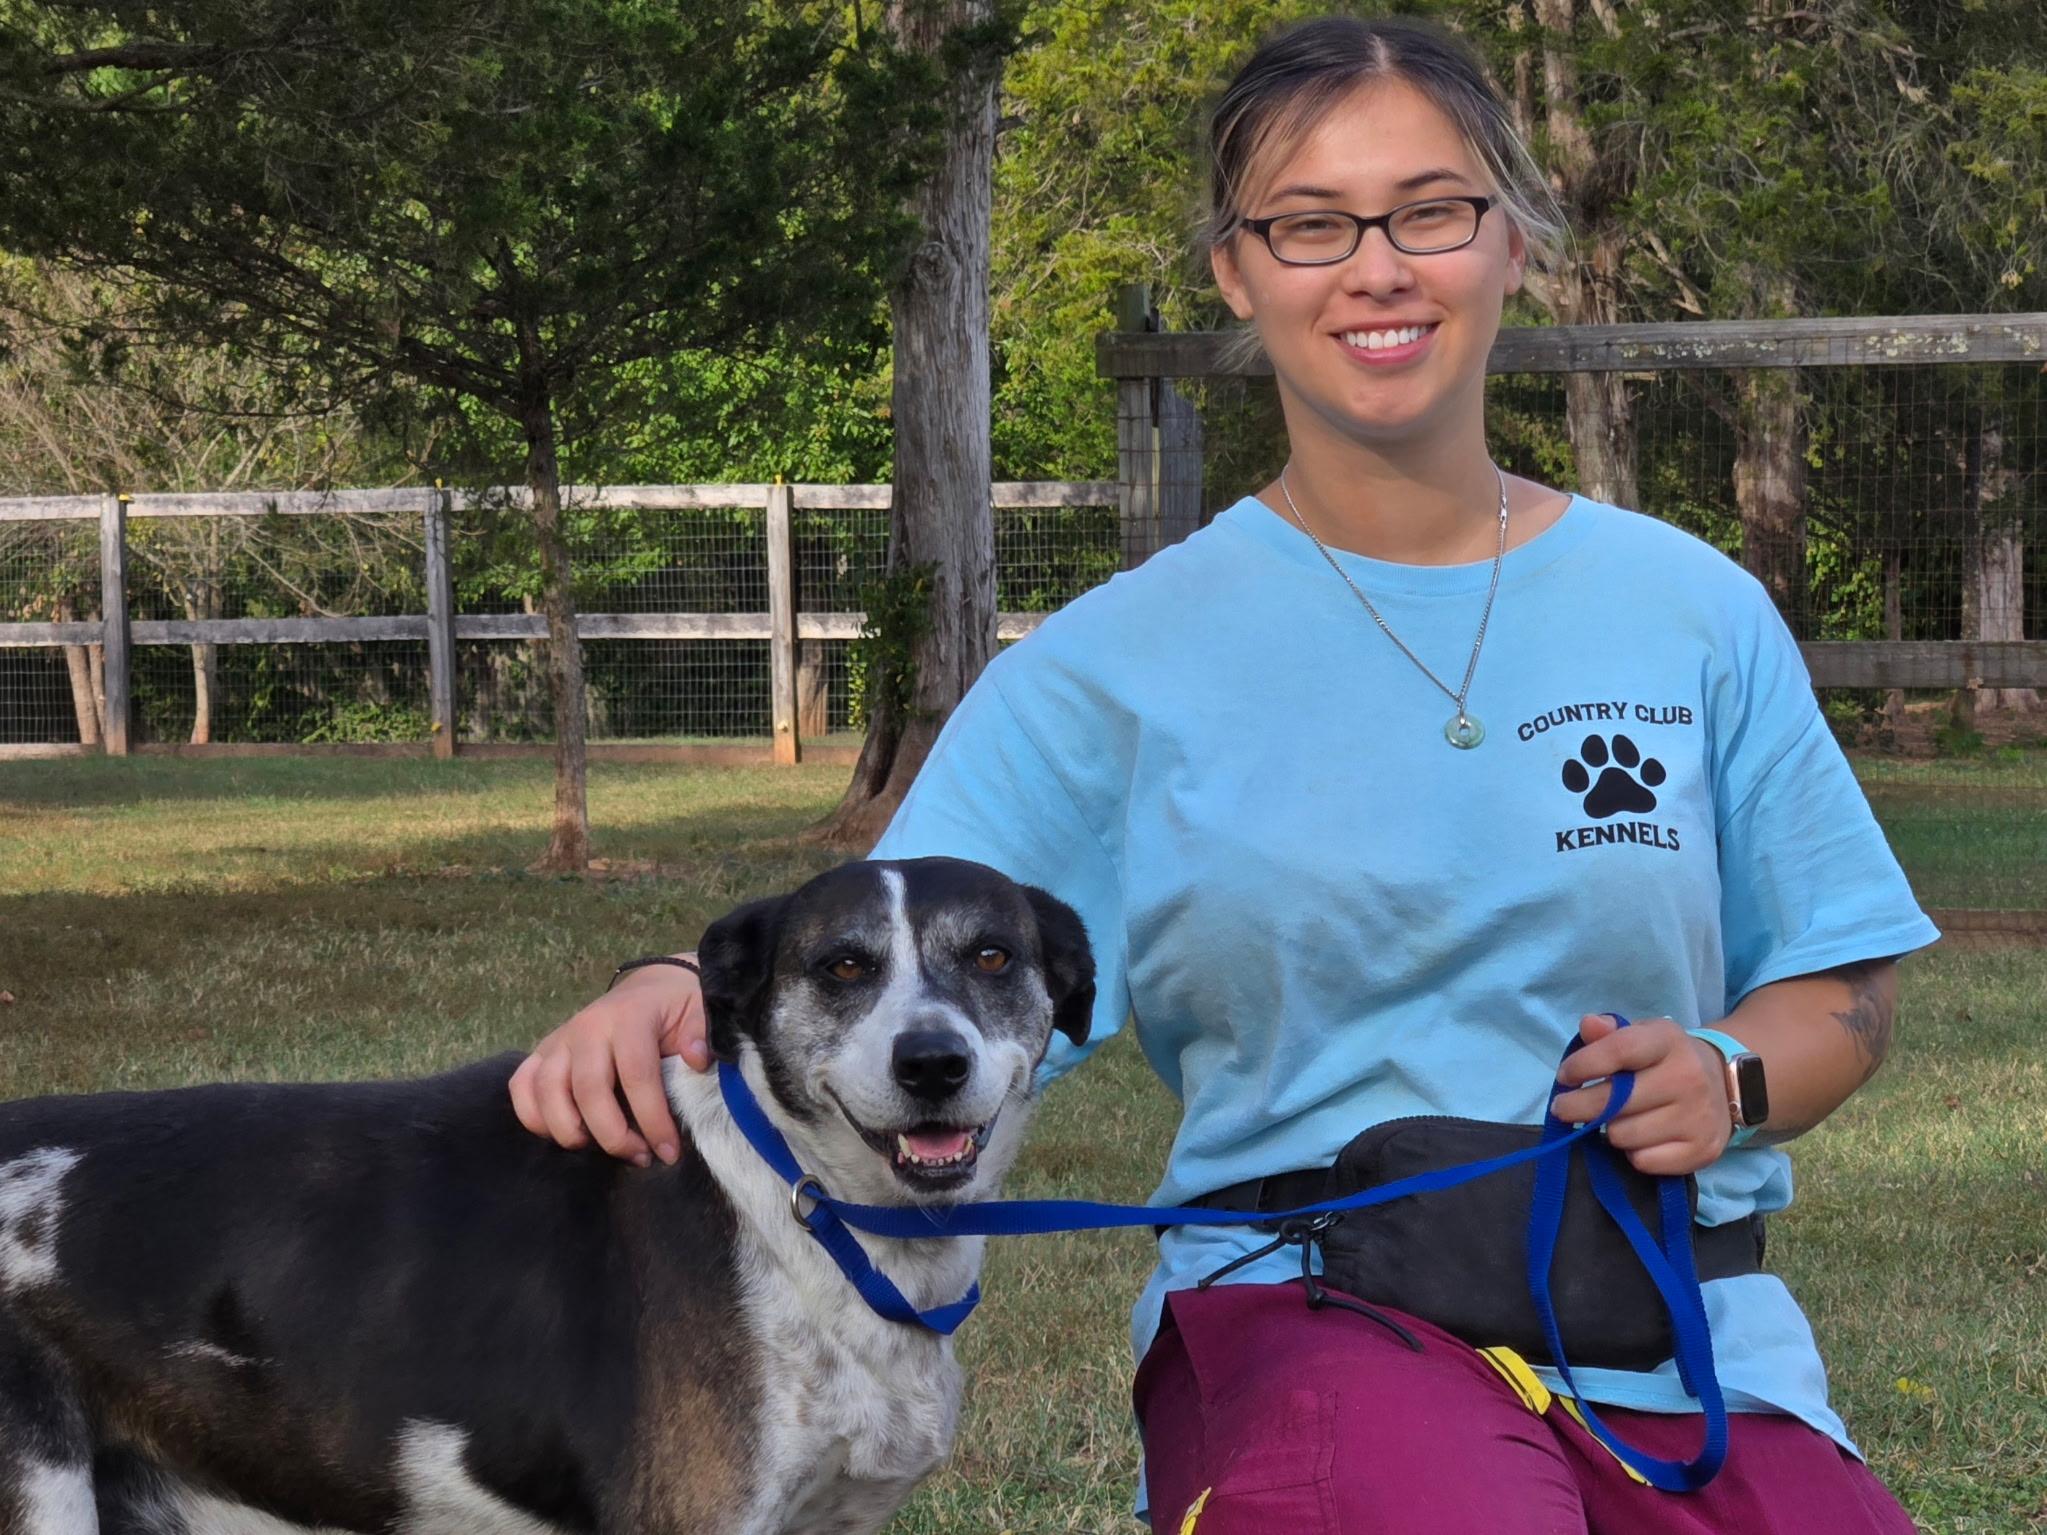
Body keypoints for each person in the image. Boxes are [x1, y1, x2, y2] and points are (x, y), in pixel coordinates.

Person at [510, 16, 1939, 1533]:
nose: (1377, 268)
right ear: (1236, 271)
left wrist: (1728, 1076)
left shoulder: (1691, 609)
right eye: (1311, 225)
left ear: (1513, 242)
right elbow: (884, 954)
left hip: (1682, 1328)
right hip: (1318, 1323)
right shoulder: (1107, 669)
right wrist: (673, 982)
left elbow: (1843, 987)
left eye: (1431, 211)